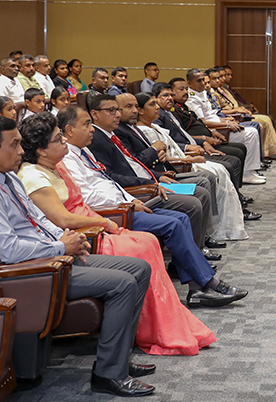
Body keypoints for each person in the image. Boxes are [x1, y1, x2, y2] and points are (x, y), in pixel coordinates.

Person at [0, 116, 156, 397]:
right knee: (122, 284)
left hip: (51, 258)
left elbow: (38, 219)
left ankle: (118, 357)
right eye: (14, 145)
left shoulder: (9, 177)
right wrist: (60, 247)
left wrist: (67, 238)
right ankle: (109, 374)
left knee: (139, 268)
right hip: (31, 272)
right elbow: (9, 250)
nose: (21, 151)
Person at [16, 113, 222, 354]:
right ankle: (152, 329)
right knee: (142, 246)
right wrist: (105, 222)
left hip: (95, 223)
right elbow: (63, 220)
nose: (64, 142)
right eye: (58, 139)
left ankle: (163, 322)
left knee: (149, 240)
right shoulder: (34, 176)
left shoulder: (57, 165)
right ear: (41, 150)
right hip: (85, 236)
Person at [58, 106, 246, 306]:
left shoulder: (84, 151)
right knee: (173, 224)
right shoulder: (68, 158)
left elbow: (109, 182)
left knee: (181, 218)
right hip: (114, 213)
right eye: (87, 124)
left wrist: (132, 198)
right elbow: (89, 196)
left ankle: (196, 288)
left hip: (127, 202)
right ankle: (209, 283)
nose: (92, 129)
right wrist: (128, 204)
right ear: (70, 130)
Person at [86, 93, 212, 253]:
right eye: (112, 110)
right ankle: (194, 252)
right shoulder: (96, 139)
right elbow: (111, 176)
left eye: (118, 110)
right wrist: (151, 181)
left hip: (152, 179)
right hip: (140, 190)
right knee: (193, 202)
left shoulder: (113, 133)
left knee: (201, 189)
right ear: (95, 114)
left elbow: (134, 164)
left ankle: (198, 246)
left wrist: (159, 176)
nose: (117, 114)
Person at [135, 92, 255, 235]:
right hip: (177, 166)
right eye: (152, 104)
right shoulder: (143, 131)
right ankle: (215, 226)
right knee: (215, 173)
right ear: (140, 110)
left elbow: (174, 146)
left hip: (184, 158)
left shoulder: (156, 127)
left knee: (222, 169)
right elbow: (157, 160)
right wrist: (189, 159)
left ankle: (226, 221)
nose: (157, 107)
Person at [151, 82, 247, 197]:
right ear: (155, 98)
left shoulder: (169, 112)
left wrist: (203, 141)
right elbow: (168, 143)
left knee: (234, 158)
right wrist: (189, 146)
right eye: (165, 95)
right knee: (229, 164)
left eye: (171, 95)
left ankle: (237, 197)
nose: (170, 98)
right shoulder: (157, 117)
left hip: (196, 146)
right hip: (186, 154)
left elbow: (184, 134)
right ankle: (235, 199)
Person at [186, 69, 265, 184]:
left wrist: (225, 120)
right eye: (199, 81)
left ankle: (250, 170)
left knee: (252, 130)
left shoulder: (202, 93)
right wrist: (226, 124)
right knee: (251, 133)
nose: (203, 83)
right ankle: (246, 173)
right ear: (190, 83)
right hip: (216, 131)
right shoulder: (192, 98)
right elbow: (203, 122)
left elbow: (212, 115)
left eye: (203, 80)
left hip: (220, 125)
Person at [206, 67, 276, 157]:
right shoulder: (210, 94)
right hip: (223, 122)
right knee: (258, 125)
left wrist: (239, 110)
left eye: (219, 77)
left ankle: (266, 152)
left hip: (228, 118)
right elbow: (213, 114)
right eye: (214, 79)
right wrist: (228, 119)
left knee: (265, 120)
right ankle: (261, 155)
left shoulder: (221, 90)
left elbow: (224, 108)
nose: (219, 80)